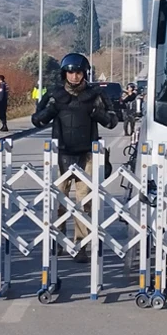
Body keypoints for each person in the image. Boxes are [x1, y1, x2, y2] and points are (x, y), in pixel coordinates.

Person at [31, 53, 118, 263]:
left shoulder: (95, 94)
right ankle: (58, 239)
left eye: (78, 72)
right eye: (70, 72)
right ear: (64, 73)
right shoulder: (55, 93)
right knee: (58, 201)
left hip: (86, 155)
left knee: (84, 202)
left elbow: (113, 121)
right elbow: (37, 119)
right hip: (60, 154)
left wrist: (98, 113)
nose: (74, 76)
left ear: (84, 73)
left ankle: (81, 245)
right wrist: (50, 110)